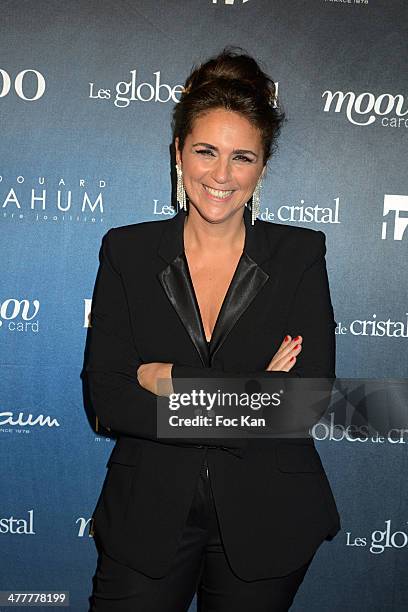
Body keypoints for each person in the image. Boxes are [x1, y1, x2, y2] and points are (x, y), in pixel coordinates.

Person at [87, 46, 341, 611]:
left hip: (268, 515)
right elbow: (109, 399)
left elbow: (304, 403)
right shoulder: (125, 252)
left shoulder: (300, 254)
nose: (221, 176)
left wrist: (168, 376)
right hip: (146, 514)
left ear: (264, 166)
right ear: (178, 153)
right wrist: (251, 391)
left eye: (242, 157)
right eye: (205, 152)